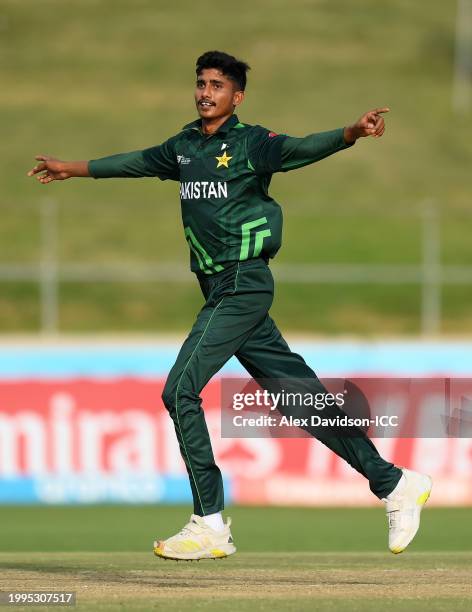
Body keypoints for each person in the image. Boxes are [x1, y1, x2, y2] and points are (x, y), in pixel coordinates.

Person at [28, 50, 432, 560]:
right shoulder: (182, 149)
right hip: (222, 290)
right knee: (299, 398)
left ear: (236, 97)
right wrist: (71, 168)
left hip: (242, 282)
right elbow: (131, 162)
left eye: (217, 85)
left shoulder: (249, 144)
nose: (205, 92)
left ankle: (209, 523)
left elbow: (301, 148)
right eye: (201, 82)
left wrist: (350, 132)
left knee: (179, 391)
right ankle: (394, 482)